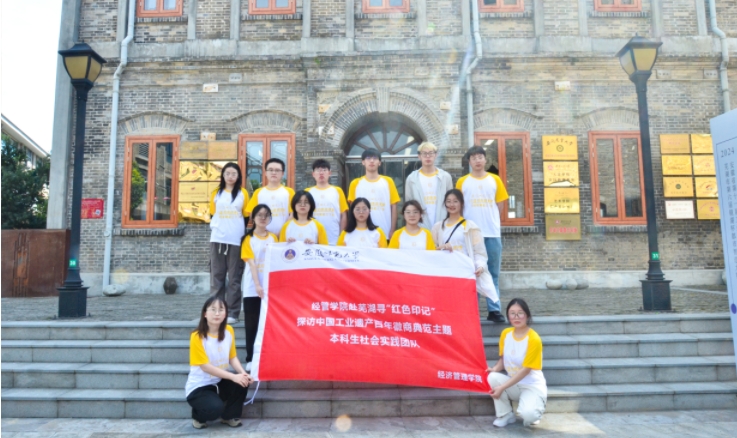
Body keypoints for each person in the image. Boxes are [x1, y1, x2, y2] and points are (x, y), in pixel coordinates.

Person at [456, 146, 509, 323]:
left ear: (485, 160)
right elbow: (459, 206)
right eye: (474, 158)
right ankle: (473, 310)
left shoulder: (495, 179)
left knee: (492, 272)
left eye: (480, 157)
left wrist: (492, 221)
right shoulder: (462, 181)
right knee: (472, 272)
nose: (477, 160)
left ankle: (494, 309)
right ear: (469, 161)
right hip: (470, 234)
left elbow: (500, 204)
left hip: (492, 233)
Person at [185, 296, 253, 430]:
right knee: (215, 408)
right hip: (200, 387)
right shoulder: (197, 336)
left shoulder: (229, 331)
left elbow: (232, 357)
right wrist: (233, 376)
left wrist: (243, 373)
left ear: (225, 314)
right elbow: (205, 367)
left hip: (219, 382)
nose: (217, 313)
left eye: (221, 310)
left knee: (242, 381)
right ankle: (198, 416)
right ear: (205, 313)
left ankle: (229, 416)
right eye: (213, 309)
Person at [486, 298, 546, 428]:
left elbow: (526, 370)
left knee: (529, 416)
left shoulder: (534, 339)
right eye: (512, 313)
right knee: (492, 377)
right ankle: (506, 414)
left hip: (531, 385)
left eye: (520, 313)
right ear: (508, 316)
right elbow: (503, 359)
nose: (516, 317)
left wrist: (502, 387)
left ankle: (537, 408)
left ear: (527, 315)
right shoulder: (506, 334)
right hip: (514, 383)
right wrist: (494, 369)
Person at [432, 189, 497, 303]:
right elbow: (432, 251)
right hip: (446, 273)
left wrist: (480, 266)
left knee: (465, 304)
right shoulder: (438, 227)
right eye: (448, 201)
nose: (451, 204)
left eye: (455, 201)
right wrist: (442, 247)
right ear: (445, 204)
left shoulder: (471, 226)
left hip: (465, 273)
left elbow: (479, 251)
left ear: (462, 203)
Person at [209, 163, 249, 324]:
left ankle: (233, 312)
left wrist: (236, 231)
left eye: (234, 173)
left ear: (238, 176)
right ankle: (216, 311)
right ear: (223, 175)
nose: (231, 176)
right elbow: (212, 214)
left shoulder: (243, 193)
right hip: (217, 239)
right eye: (228, 173)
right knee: (216, 277)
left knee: (234, 278)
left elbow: (246, 217)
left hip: (236, 240)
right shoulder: (216, 193)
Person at [241, 204, 278, 372]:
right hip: (252, 288)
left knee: (269, 324)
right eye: (259, 215)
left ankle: (267, 356)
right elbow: (252, 263)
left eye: (266, 215)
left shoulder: (274, 238)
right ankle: (251, 358)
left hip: (270, 288)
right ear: (253, 218)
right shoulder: (248, 239)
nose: (263, 218)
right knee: (252, 324)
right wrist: (257, 285)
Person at [347, 149, 400, 239]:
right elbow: (353, 209)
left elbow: (394, 207)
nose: (372, 161)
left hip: (385, 232)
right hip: (361, 234)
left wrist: (392, 230)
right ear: (363, 162)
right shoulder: (355, 183)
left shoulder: (388, 181)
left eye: (375, 158)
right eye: (368, 158)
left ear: (379, 162)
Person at [405, 142, 454, 229]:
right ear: (419, 156)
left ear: (436, 155)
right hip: (419, 225)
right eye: (424, 154)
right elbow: (408, 204)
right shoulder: (412, 178)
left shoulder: (445, 177)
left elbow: (451, 202)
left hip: (442, 224)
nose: (428, 156)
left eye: (431, 153)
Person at [245, 158, 295, 235]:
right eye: (270, 170)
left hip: (284, 236)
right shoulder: (258, 192)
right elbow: (252, 214)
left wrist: (282, 232)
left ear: (282, 173)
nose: (274, 173)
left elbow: (293, 214)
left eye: (277, 170)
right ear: (265, 173)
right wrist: (262, 230)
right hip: (263, 236)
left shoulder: (289, 192)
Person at [306, 159, 349, 245]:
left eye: (324, 170)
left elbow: (343, 215)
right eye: (318, 170)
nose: (321, 173)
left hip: (334, 238)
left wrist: (341, 236)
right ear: (313, 174)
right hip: (312, 239)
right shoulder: (307, 192)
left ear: (330, 173)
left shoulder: (337, 191)